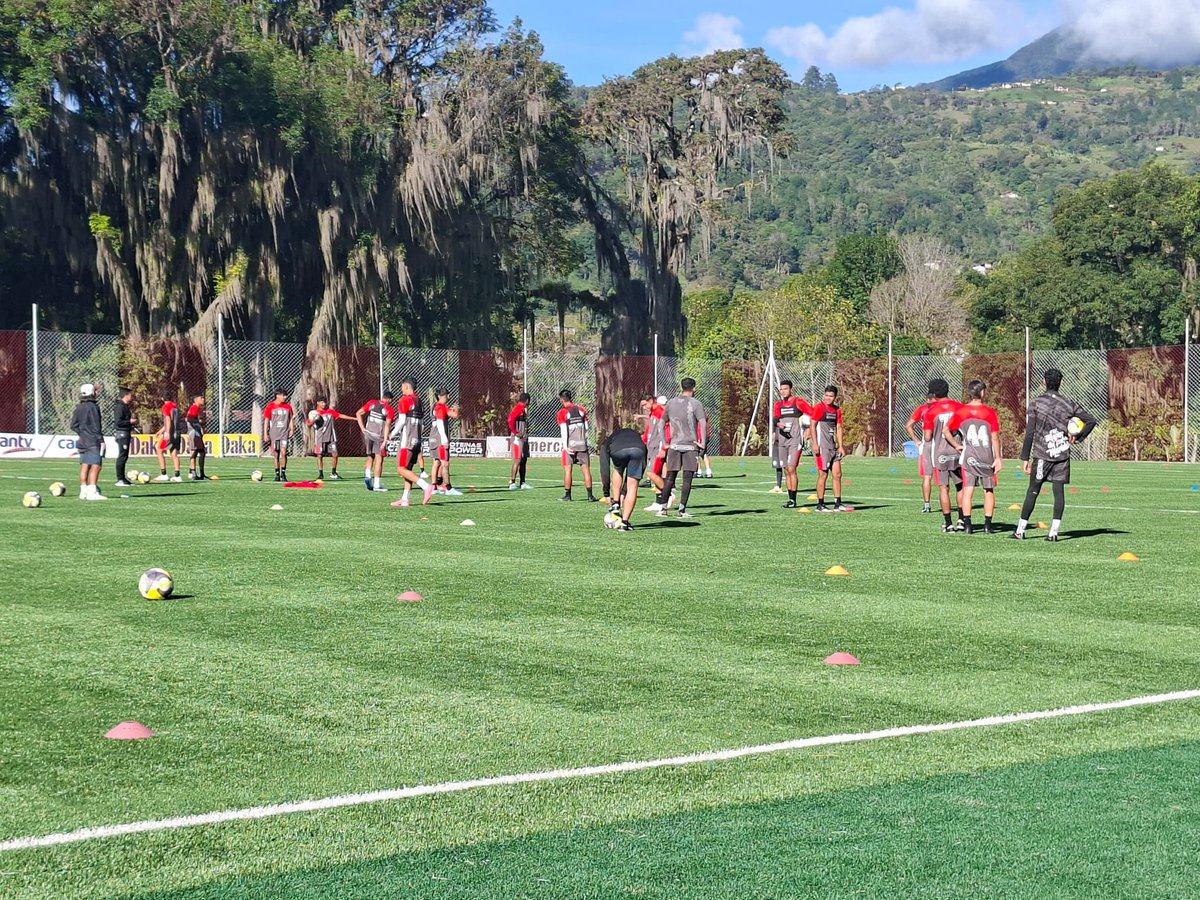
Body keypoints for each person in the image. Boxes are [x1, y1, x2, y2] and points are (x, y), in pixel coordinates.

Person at [1013, 368, 1097, 542]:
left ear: (1044, 382)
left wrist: (1025, 458)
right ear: (1060, 383)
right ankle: (1053, 533)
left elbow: (1030, 432)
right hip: (1062, 455)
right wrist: (1079, 437)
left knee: (1033, 490)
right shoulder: (1068, 403)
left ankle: (1020, 531)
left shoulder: (1036, 403)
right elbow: (1091, 420)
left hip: (1042, 454)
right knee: (1058, 492)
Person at [944, 380, 1002, 534]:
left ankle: (968, 525)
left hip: (969, 455)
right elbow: (995, 437)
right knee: (988, 490)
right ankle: (988, 525)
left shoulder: (961, 412)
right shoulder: (990, 412)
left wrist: (957, 446)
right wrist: (998, 458)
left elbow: (946, 430)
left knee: (968, 490)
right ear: (982, 392)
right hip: (986, 456)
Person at [654, 378, 706, 518]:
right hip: (690, 445)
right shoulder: (696, 404)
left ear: (681, 387)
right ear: (694, 388)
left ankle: (663, 509)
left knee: (670, 478)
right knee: (687, 479)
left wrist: (665, 442)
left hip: (674, 445)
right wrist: (703, 443)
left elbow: (661, 423)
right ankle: (681, 510)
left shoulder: (671, 403)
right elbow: (703, 423)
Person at [922, 379, 964, 532]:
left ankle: (948, 523)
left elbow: (927, 437)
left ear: (933, 394)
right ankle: (962, 519)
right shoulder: (959, 407)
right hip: (958, 450)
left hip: (940, 453)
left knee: (943, 488)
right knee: (960, 486)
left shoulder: (931, 411)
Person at [388, 379, 435, 507]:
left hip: (407, 440)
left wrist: (391, 434)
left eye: (402, 387)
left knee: (401, 469)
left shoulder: (404, 400)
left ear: (406, 387)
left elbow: (402, 420)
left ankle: (426, 486)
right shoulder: (419, 401)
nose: (401, 389)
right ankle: (405, 498)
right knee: (408, 469)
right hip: (417, 439)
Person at [773, 380, 813, 508]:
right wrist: (778, 424)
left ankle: (793, 500)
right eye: (781, 389)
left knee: (791, 468)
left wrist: (809, 429)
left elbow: (813, 414)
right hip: (782, 441)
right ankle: (790, 499)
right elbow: (775, 418)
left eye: (785, 389)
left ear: (791, 389)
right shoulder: (778, 404)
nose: (783, 391)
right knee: (786, 469)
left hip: (795, 441)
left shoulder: (798, 402)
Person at [599, 427, 649, 532]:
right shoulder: (637, 437)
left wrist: (606, 493)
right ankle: (625, 523)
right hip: (639, 450)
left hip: (618, 451)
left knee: (618, 469)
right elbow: (642, 468)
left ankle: (616, 504)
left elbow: (604, 468)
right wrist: (625, 491)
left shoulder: (608, 441)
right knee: (633, 485)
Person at [809, 385, 847, 512]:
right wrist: (815, 443)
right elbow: (812, 425)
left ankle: (838, 503)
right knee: (823, 475)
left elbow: (839, 428)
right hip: (822, 447)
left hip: (833, 447)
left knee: (837, 474)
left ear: (835, 397)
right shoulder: (819, 408)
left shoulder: (837, 410)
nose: (828, 398)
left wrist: (841, 446)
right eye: (826, 395)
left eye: (831, 396)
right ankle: (820, 504)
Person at [557, 389, 597, 502]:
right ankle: (590, 496)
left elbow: (564, 431)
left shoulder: (562, 413)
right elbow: (587, 428)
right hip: (582, 445)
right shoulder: (581, 410)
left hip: (570, 446)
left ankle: (568, 495)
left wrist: (565, 447)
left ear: (561, 399)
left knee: (568, 471)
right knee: (586, 470)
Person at [70, 383, 106, 500]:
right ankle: (92, 491)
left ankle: (83, 490)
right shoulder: (93, 407)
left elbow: (73, 425)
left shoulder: (78, 407)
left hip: (82, 440)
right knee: (96, 465)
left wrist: (82, 433)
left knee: (85, 465)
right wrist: (100, 439)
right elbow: (96, 425)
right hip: (93, 441)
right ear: (92, 393)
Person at [356, 391, 395, 492]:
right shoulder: (389, 409)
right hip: (379, 437)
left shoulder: (372, 403)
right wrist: (386, 439)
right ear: (389, 400)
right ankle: (377, 485)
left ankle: (368, 475)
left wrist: (362, 428)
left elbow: (358, 413)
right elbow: (387, 425)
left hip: (368, 433)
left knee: (370, 456)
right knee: (379, 459)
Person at [905, 390, 936, 513]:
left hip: (927, 445)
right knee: (944, 479)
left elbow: (908, 425)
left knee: (927, 476)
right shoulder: (943, 408)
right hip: (942, 445)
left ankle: (927, 505)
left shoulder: (923, 409)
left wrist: (916, 441)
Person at [309, 398, 354, 480]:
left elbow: (340, 415)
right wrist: (314, 420)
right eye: (322, 402)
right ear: (318, 403)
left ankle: (333, 472)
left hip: (331, 437)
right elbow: (308, 423)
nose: (324, 404)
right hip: (319, 438)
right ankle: (320, 474)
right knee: (319, 455)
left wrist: (355, 419)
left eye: (325, 402)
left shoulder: (330, 411)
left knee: (335, 454)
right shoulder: (314, 413)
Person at [428, 388, 463, 496]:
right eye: (447, 395)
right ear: (441, 396)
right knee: (445, 463)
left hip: (433, 438)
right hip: (439, 439)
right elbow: (441, 422)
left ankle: (434, 487)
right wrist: (444, 439)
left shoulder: (437, 407)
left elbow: (452, 415)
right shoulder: (440, 407)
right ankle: (448, 488)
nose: (449, 397)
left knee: (437, 462)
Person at [263, 389, 294, 482]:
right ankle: (277, 474)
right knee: (276, 454)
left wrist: (292, 429)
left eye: (285, 395)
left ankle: (283, 474)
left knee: (284, 452)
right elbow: (266, 420)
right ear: (277, 396)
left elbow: (291, 418)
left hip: (284, 433)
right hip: (274, 433)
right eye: (283, 395)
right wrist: (265, 433)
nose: (285, 397)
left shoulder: (288, 406)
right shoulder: (270, 406)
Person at [641, 393, 667, 499]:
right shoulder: (652, 413)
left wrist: (664, 448)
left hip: (658, 447)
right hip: (651, 447)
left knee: (651, 473)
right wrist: (643, 440)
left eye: (645, 404)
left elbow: (666, 430)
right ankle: (659, 502)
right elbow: (649, 431)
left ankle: (668, 494)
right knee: (657, 474)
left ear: (651, 401)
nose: (644, 407)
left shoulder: (660, 412)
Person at [153, 392, 182, 482]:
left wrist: (167, 432)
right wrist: (160, 431)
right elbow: (172, 421)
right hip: (177, 433)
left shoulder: (166, 406)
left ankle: (163, 474)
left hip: (170, 433)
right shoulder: (175, 407)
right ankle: (177, 476)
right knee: (174, 454)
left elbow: (168, 419)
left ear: (163, 398)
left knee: (159, 450)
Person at [113, 386, 137, 487]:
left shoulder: (125, 406)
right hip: (122, 433)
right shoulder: (120, 407)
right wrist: (129, 422)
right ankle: (120, 479)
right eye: (130, 395)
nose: (131, 397)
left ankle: (123, 478)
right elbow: (118, 422)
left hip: (126, 432)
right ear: (126, 396)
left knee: (125, 456)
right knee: (122, 456)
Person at [507, 391, 532, 490]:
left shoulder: (523, 409)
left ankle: (522, 482)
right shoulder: (518, 408)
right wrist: (515, 432)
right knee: (517, 460)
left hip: (524, 438)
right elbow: (510, 420)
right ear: (527, 400)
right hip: (517, 438)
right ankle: (512, 483)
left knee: (524, 459)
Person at [185, 394, 208, 480]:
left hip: (196, 432)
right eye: (201, 398)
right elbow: (189, 419)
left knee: (201, 452)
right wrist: (198, 427)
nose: (203, 399)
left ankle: (198, 473)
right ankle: (193, 472)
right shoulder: (194, 407)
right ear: (196, 400)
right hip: (194, 433)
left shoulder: (197, 408)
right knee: (196, 451)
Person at [696, 407, 714, 478]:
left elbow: (699, 428)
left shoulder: (700, 417)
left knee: (696, 453)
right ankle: (708, 471)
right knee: (704, 454)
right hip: (705, 436)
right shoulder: (704, 415)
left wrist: (699, 439)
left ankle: (698, 471)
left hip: (700, 436)